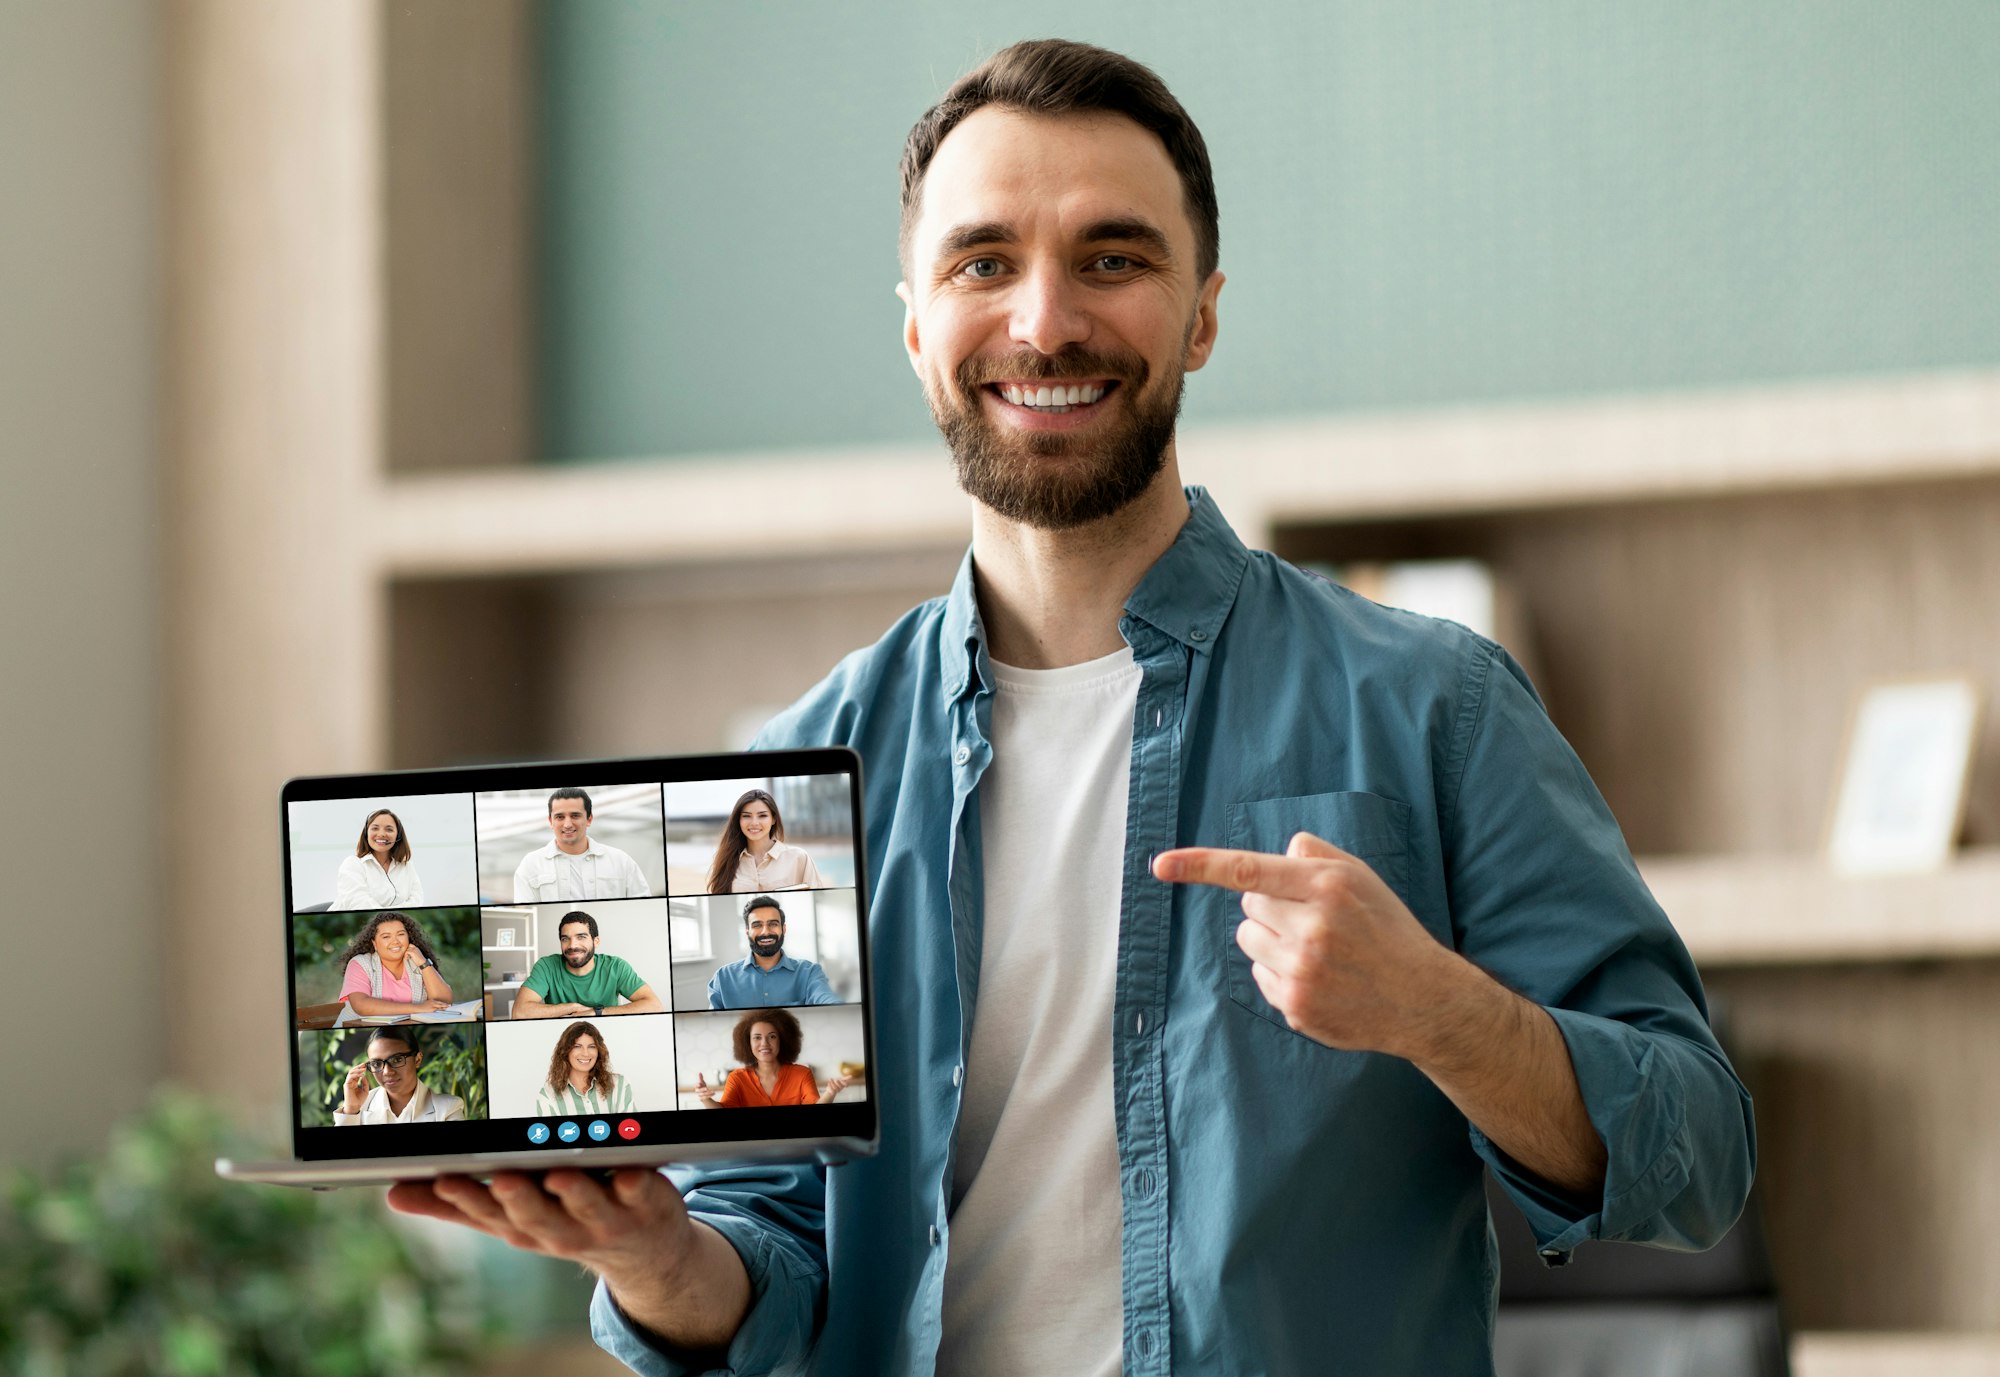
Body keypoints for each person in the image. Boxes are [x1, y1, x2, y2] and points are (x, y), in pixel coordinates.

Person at [391, 40, 1756, 1377]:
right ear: (919, 324)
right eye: (985, 262)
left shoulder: (1435, 703)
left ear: (1203, 314)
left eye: (1114, 259)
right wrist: (657, 1259)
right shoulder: (794, 779)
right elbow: (772, 1250)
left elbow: (1697, 1155)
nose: (1045, 321)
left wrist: (1436, 1012)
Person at [513, 910, 666, 1020]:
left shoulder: (616, 967)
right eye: (565, 939)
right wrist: (572, 1008)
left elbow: (654, 1006)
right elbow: (519, 1012)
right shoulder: (546, 966)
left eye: (581, 937)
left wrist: (597, 1012)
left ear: (596, 941)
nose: (572, 945)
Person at [693, 1008, 852, 1109]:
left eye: (772, 1036)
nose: (764, 1044)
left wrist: (830, 1093)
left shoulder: (802, 1074)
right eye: (757, 1037)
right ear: (747, 1043)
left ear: (782, 1040)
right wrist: (705, 1099)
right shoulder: (737, 1078)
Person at [513, 788, 652, 902]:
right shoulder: (530, 864)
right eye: (560, 817)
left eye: (575, 816)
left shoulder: (621, 861)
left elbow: (644, 904)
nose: (567, 824)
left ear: (589, 819)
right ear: (551, 821)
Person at [705, 896, 840, 1009]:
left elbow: (826, 999)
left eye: (773, 924)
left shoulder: (810, 972)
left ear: (783, 929)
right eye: (757, 925)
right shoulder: (722, 977)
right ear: (747, 932)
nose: (766, 932)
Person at [704, 788, 827, 893]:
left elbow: (817, 895)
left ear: (773, 819)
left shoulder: (799, 857)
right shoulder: (727, 860)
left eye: (762, 815)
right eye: (746, 816)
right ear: (738, 820)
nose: (754, 823)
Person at [333, 1028, 464, 1125]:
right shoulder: (356, 1110)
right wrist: (351, 1111)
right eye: (377, 1063)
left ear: (417, 1059)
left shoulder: (448, 1109)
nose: (386, 1072)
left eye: (396, 1060)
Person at [335, 911, 453, 1017]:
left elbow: (444, 1001)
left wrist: (423, 963)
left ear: (409, 937)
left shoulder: (417, 962)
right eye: (386, 936)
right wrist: (418, 1008)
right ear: (374, 944)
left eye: (401, 934)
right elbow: (361, 1005)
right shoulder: (360, 963)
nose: (395, 941)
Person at [535, 1021, 637, 1117]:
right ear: (565, 1052)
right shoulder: (548, 1095)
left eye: (592, 1046)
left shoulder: (619, 1084)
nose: (585, 1053)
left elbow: (630, 1129)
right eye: (577, 1046)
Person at [331, 807, 424, 911]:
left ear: (398, 836)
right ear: (366, 834)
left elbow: (417, 900)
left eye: (389, 829)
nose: (381, 834)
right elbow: (359, 905)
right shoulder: (353, 864)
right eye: (375, 828)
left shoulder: (406, 865)